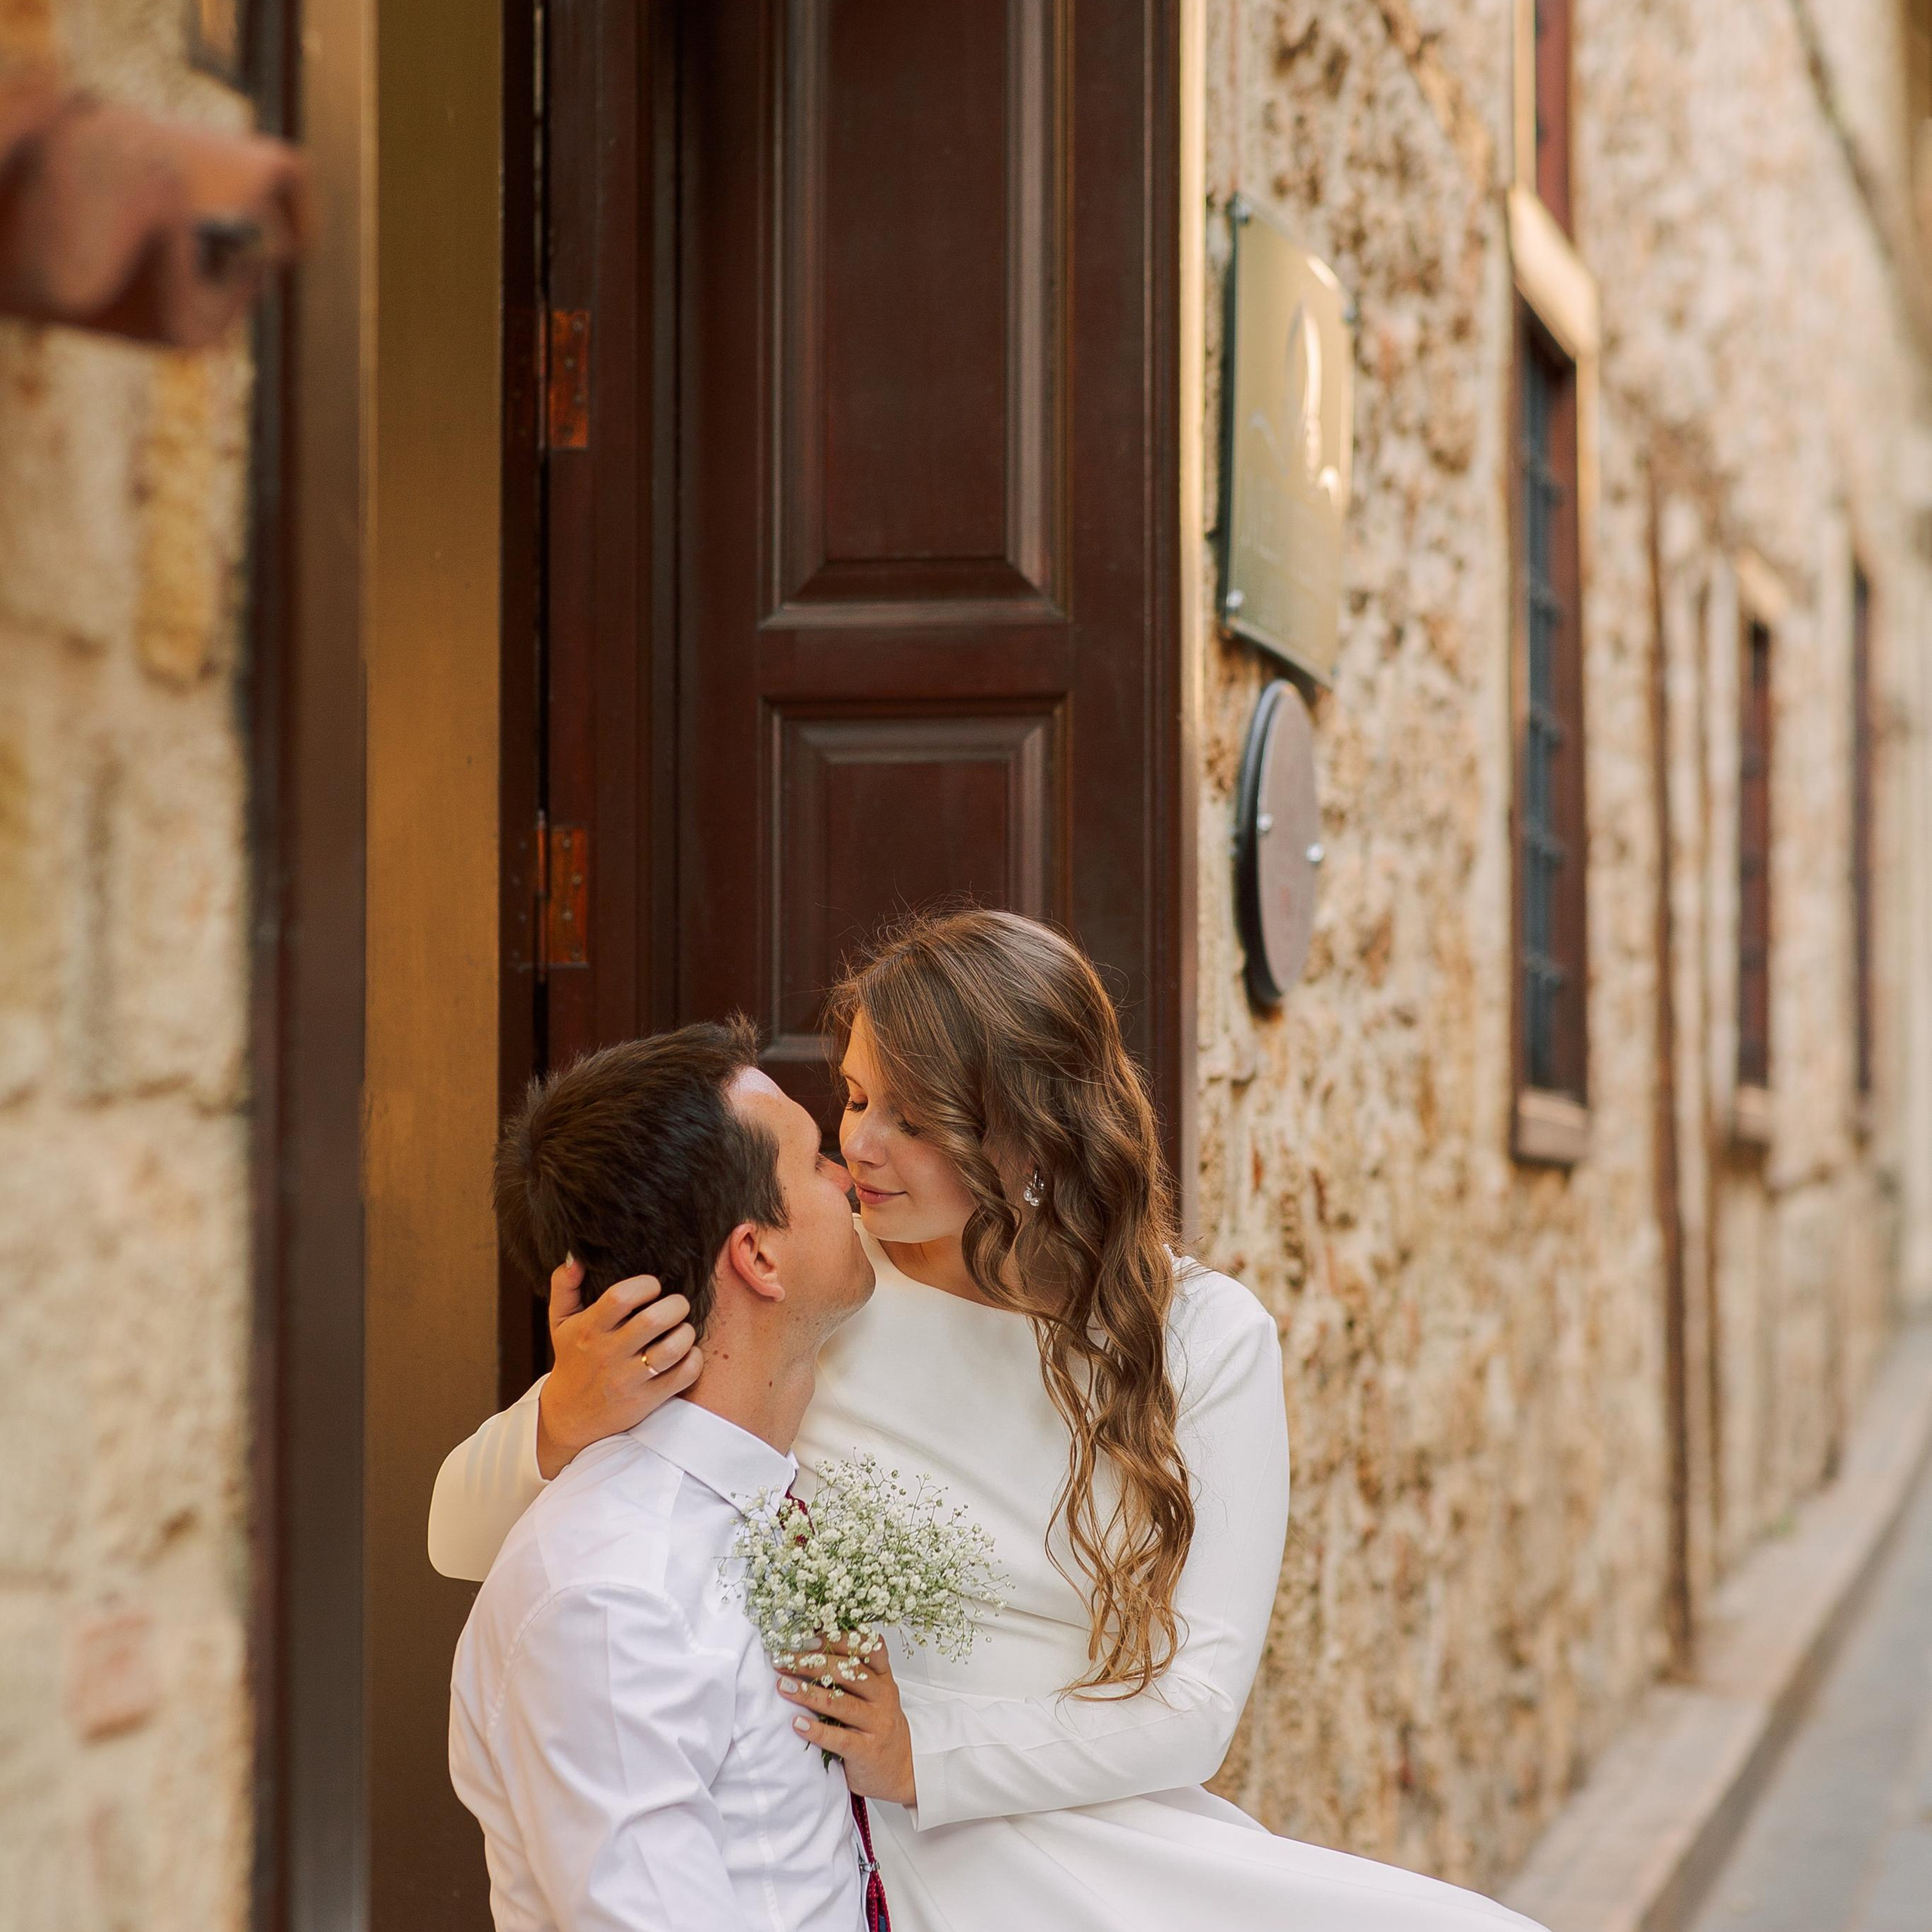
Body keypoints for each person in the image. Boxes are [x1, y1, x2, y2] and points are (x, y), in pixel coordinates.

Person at [434, 911, 1546, 1932]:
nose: (858, 1148)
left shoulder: (1207, 1339)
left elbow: (1199, 1706)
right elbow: (473, 1540)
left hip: (1067, 1820)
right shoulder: (812, 1289)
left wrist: (933, 1751)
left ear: (1031, 1136)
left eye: (914, 1120)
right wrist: (568, 1414)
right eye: (858, 1096)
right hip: (853, 1845)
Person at [447, 1020, 890, 1932]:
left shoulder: (779, 1502)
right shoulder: (611, 1603)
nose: (847, 1178)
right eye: (814, 1164)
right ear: (756, 1255)